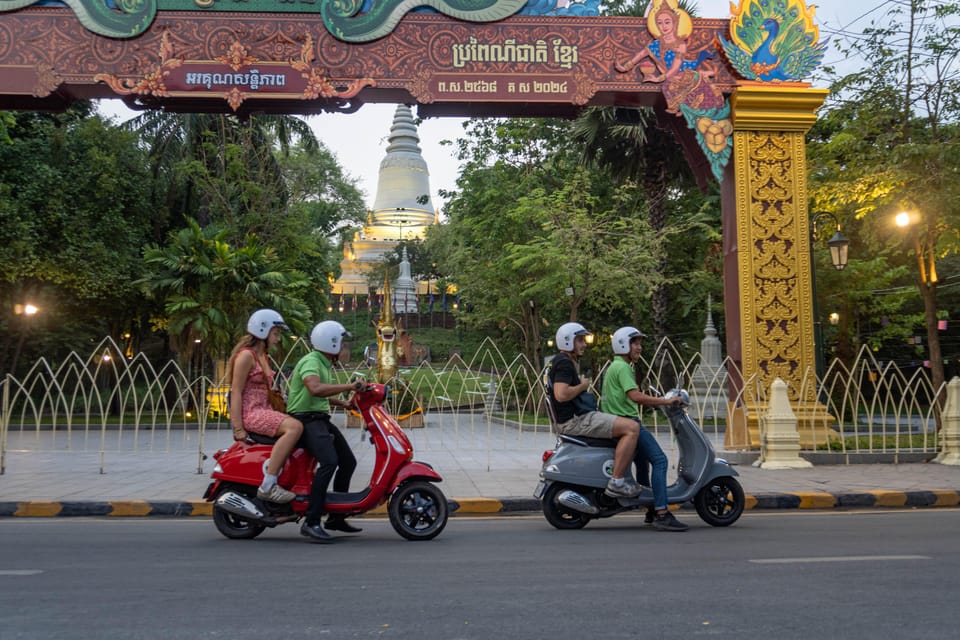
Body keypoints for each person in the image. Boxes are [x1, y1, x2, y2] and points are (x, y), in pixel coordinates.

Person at [601, 326, 688, 532]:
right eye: (635, 343)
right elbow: (635, 396)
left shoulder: (617, 366)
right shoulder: (622, 367)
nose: (639, 347)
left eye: (640, 343)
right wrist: (666, 402)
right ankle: (662, 513)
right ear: (623, 344)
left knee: (643, 464)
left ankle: (650, 509)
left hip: (619, 421)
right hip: (629, 422)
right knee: (660, 460)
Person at [286, 320, 365, 543]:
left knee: (348, 462)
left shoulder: (323, 362)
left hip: (319, 418)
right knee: (329, 462)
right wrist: (349, 387)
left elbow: (319, 394)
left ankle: (336, 518)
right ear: (331, 343)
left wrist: (343, 404)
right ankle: (311, 522)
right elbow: (315, 388)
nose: (343, 347)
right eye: (341, 343)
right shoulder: (312, 361)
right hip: (305, 420)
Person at [548, 322, 642, 498]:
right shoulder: (565, 364)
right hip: (575, 421)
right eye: (580, 340)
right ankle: (617, 482)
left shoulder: (557, 361)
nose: (584, 344)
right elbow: (561, 395)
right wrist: (582, 386)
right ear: (568, 341)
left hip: (571, 419)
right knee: (632, 428)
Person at [227, 309, 304, 504]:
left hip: (266, 410)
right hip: (253, 413)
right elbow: (235, 392)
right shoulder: (246, 356)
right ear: (262, 331)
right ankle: (269, 485)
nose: (278, 339)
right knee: (295, 427)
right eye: (276, 333)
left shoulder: (264, 356)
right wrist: (238, 429)